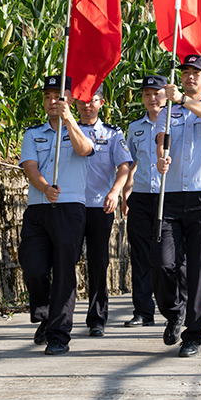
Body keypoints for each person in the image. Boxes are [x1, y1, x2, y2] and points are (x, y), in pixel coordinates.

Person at [155, 54, 201, 358]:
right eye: (185, 72)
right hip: (170, 195)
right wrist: (161, 157)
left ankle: (194, 334)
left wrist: (183, 99)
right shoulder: (167, 111)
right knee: (162, 261)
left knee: (200, 269)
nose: (190, 76)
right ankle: (174, 312)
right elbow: (161, 140)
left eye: (197, 72)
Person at [18, 75, 94, 355]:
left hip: (69, 207)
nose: (53, 101)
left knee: (64, 271)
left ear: (70, 100)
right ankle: (46, 314)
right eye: (48, 97)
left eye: (58, 96)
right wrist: (45, 187)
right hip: (39, 207)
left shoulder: (79, 130)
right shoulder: (33, 133)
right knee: (34, 268)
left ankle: (59, 334)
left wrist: (70, 120)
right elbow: (30, 166)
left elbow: (84, 150)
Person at [122, 74, 186, 328]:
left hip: (169, 196)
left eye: (157, 93)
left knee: (173, 257)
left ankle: (179, 305)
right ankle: (143, 311)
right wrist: (126, 191)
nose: (152, 98)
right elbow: (130, 162)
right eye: (147, 94)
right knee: (140, 255)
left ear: (166, 94)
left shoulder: (179, 121)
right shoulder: (135, 127)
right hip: (141, 196)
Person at [76, 87, 132, 337]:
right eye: (82, 101)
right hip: (71, 206)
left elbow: (124, 166)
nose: (87, 105)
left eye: (92, 100)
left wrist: (115, 192)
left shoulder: (112, 134)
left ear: (101, 102)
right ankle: (58, 318)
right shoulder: (67, 131)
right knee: (64, 262)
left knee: (98, 262)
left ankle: (97, 318)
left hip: (100, 205)